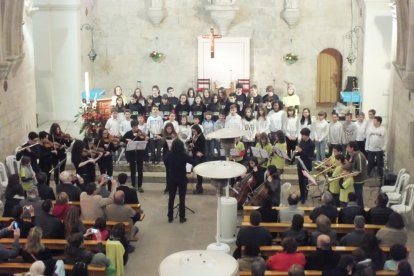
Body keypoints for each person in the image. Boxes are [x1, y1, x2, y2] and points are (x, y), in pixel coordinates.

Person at [163, 139, 194, 223]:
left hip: (172, 178)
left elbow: (165, 161)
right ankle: (182, 217)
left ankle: (170, 217)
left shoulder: (169, 154)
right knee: (182, 198)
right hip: (181, 178)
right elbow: (192, 161)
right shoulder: (183, 155)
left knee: (171, 198)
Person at [122, 119, 147, 192]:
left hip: (139, 154)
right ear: (131, 127)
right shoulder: (128, 133)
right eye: (134, 127)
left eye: (136, 127)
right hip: (131, 154)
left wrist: (144, 138)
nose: (136, 129)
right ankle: (133, 185)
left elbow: (144, 139)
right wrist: (127, 141)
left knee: (140, 170)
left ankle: (140, 186)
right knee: (133, 170)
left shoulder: (140, 132)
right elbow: (122, 139)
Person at [295, 127, 315, 203]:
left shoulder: (311, 144)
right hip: (300, 164)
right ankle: (302, 195)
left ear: (306, 135)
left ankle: (305, 197)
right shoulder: (301, 141)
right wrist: (296, 151)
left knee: (305, 182)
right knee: (300, 181)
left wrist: (301, 151)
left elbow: (310, 156)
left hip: (306, 165)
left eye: (302, 135)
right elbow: (299, 152)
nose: (301, 136)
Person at [346, 141, 367, 207]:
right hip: (355, 179)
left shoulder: (359, 156)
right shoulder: (353, 155)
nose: (346, 149)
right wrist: (350, 159)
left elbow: (359, 170)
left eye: (348, 147)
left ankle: (361, 210)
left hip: (359, 180)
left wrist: (349, 173)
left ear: (352, 148)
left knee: (359, 197)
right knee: (356, 196)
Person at [190, 124, 206, 194]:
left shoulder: (201, 137)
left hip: (199, 157)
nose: (194, 133)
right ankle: (198, 187)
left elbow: (202, 148)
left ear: (198, 130)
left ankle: (199, 188)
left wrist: (194, 146)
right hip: (195, 155)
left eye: (194, 131)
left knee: (199, 173)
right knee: (197, 172)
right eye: (193, 132)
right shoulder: (194, 136)